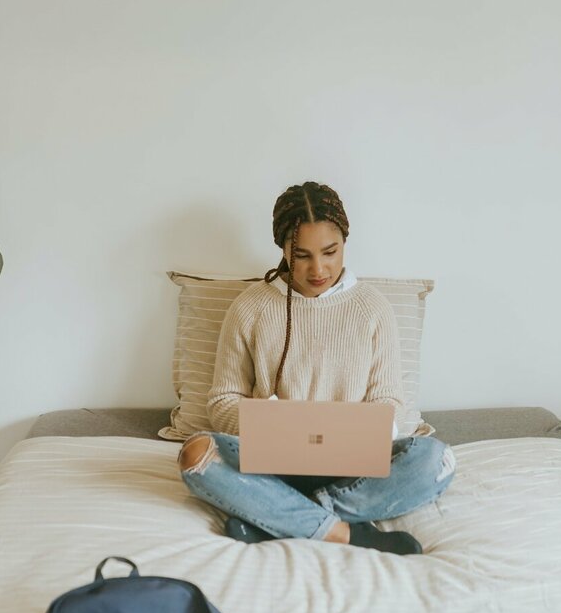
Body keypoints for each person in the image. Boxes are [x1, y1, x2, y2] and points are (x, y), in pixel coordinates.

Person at [179, 181, 456, 556]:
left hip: (355, 470)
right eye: (302, 255)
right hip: (270, 465)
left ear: (345, 241)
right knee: (196, 455)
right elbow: (222, 400)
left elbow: (389, 398)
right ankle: (347, 532)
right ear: (282, 249)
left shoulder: (373, 308)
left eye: (330, 252)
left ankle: (278, 518)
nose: (318, 268)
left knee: (436, 460)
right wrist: (270, 420)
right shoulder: (250, 307)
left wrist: (364, 432)